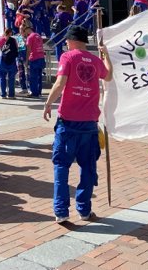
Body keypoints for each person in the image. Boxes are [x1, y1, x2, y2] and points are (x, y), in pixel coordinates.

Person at [43, 25, 113, 224]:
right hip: (89, 122)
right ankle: (84, 209)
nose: (65, 42)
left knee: (61, 166)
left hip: (68, 121)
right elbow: (108, 76)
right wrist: (106, 56)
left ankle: (61, 211)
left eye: (67, 39)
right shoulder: (95, 60)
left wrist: (48, 104)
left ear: (73, 40)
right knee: (88, 167)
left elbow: (60, 83)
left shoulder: (68, 57)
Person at [23, 22, 46, 98]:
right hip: (41, 57)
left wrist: (26, 60)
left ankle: (34, 93)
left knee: (33, 77)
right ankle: (39, 91)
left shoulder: (30, 37)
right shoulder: (38, 35)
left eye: (24, 31)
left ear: (27, 29)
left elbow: (28, 50)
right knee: (39, 76)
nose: (24, 33)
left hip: (34, 58)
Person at [0, 29, 18, 98]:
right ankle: (11, 95)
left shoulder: (1, 39)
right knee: (11, 78)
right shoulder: (13, 40)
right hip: (12, 60)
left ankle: (3, 94)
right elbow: (16, 48)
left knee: (2, 78)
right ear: (10, 33)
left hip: (3, 60)